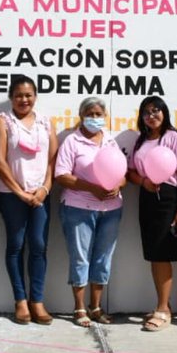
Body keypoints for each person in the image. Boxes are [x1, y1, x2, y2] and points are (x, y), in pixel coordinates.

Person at [0, 76, 58, 325]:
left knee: (39, 246)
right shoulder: (2, 122)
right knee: (16, 245)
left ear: (35, 96)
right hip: (11, 196)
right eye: (18, 95)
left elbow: (53, 160)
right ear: (11, 97)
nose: (23, 99)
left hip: (40, 195)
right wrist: (19, 192)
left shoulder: (45, 123)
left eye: (28, 95)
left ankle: (37, 301)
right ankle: (20, 300)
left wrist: (45, 188)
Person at [54, 96, 124, 327]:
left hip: (111, 209)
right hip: (78, 208)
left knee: (103, 259)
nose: (95, 118)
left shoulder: (110, 141)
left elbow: (121, 172)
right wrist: (91, 187)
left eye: (99, 114)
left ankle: (96, 307)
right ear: (81, 116)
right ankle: (79, 308)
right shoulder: (72, 141)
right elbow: (62, 175)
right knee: (81, 257)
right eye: (90, 114)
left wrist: (117, 185)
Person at [126, 96, 177, 332]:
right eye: (146, 112)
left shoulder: (174, 137)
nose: (151, 116)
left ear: (164, 112)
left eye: (156, 111)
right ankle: (164, 304)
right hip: (147, 198)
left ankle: (163, 309)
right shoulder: (141, 140)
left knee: (163, 253)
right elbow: (131, 172)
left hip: (168, 198)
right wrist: (142, 181)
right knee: (154, 253)